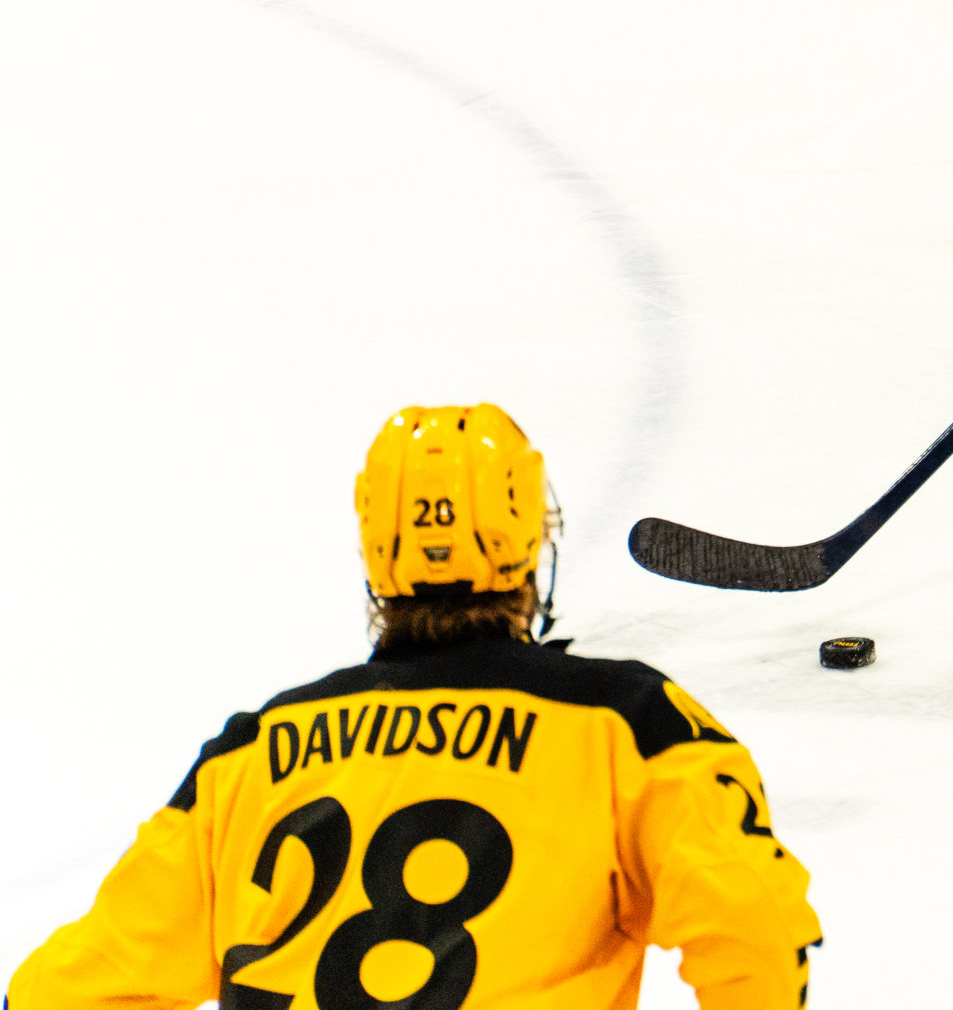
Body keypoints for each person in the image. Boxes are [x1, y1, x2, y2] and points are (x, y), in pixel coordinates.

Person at [8, 405, 822, 1010]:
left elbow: (63, 994)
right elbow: (755, 928)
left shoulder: (249, 757)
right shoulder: (627, 726)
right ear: (531, 543)